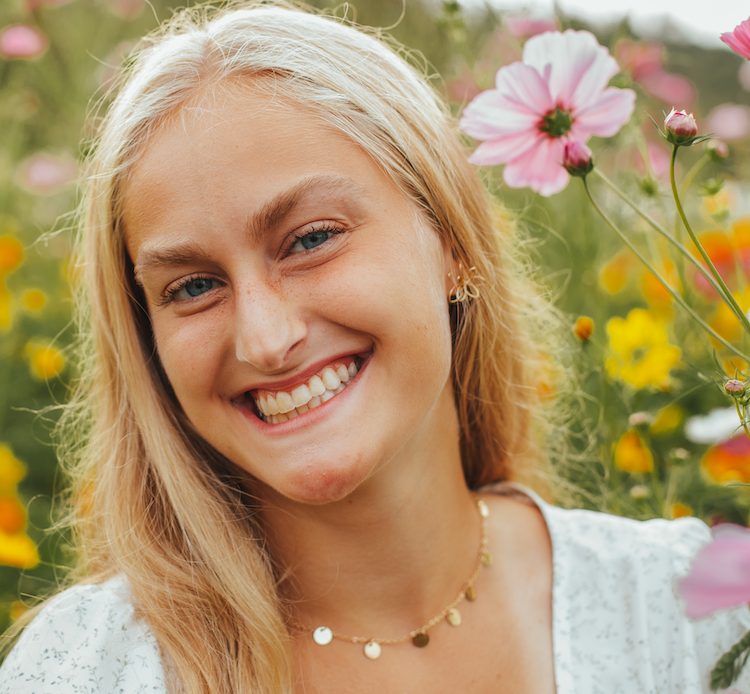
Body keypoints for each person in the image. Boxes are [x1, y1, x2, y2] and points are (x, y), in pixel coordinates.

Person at [1, 2, 748, 692]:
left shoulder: (695, 612)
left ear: (451, 240)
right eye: (192, 287)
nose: (266, 339)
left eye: (312, 239)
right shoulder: (85, 669)